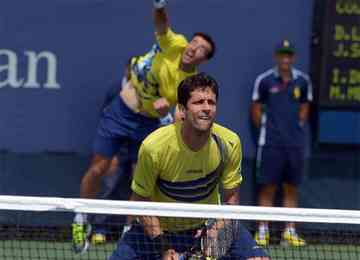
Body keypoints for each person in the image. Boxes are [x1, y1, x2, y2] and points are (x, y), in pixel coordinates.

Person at [72, 0, 216, 253]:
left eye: (202, 49)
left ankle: (130, 232)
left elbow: (180, 110)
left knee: (142, 181)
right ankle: (80, 219)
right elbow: (162, 23)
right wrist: (160, 5)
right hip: (121, 111)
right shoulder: (176, 43)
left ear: (204, 59)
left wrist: (166, 113)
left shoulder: (190, 82)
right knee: (99, 168)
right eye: (195, 42)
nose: (194, 48)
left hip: (147, 122)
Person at [109, 73, 269, 260]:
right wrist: (164, 247)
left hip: (206, 226)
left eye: (211, 102)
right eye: (199, 102)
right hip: (159, 229)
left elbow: (231, 199)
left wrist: (218, 231)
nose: (206, 108)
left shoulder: (229, 142)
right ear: (182, 110)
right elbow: (140, 202)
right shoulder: (154, 147)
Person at [251, 40, 313, 247]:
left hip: (294, 145)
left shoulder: (303, 81)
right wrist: (270, 130)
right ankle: (262, 231)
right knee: (267, 187)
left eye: (289, 55)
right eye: (282, 54)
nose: (285, 58)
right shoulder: (265, 80)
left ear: (293, 57)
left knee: (291, 188)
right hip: (270, 144)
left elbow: (304, 109)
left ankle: (289, 231)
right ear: (277, 57)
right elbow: (256, 109)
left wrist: (294, 130)